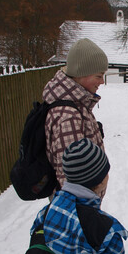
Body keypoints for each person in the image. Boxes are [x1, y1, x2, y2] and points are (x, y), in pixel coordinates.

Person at [43, 38, 107, 190]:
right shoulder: (68, 116)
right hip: (79, 205)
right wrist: (88, 210)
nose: (102, 81)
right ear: (80, 74)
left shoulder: (77, 104)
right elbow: (70, 180)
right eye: (98, 76)